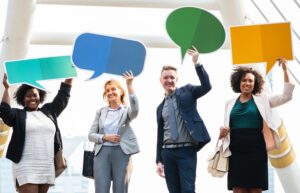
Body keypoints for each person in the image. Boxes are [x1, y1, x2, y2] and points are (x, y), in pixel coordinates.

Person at [219, 58, 295, 193]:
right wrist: (222, 132)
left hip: (257, 150)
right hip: (236, 151)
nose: (247, 83)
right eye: (244, 80)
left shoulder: (263, 100)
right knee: (238, 189)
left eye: (250, 81)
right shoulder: (229, 104)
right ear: (239, 82)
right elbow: (227, 127)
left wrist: (285, 70)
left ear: (255, 84)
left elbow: (286, 96)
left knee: (255, 189)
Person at [0, 74, 73, 193]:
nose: (32, 98)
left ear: (40, 96)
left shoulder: (49, 111)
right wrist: (7, 88)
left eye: (35, 95)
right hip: (26, 165)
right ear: (23, 99)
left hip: (46, 164)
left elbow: (63, 96)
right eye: (28, 96)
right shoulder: (18, 115)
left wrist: (70, 75)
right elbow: (4, 111)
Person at [155, 47, 212, 193]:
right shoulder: (160, 107)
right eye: (166, 77)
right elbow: (160, 135)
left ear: (176, 79)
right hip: (167, 153)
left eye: (172, 77)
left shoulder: (188, 91)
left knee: (187, 190)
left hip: (186, 151)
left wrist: (196, 63)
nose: (169, 80)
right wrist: (158, 160)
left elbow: (207, 86)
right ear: (160, 80)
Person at [88, 71, 139, 193]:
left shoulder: (126, 111)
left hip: (122, 152)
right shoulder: (101, 111)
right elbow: (91, 135)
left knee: (120, 189)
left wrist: (129, 85)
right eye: (107, 90)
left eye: (113, 89)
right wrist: (105, 137)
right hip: (102, 154)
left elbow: (135, 110)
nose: (110, 92)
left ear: (121, 91)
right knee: (101, 190)